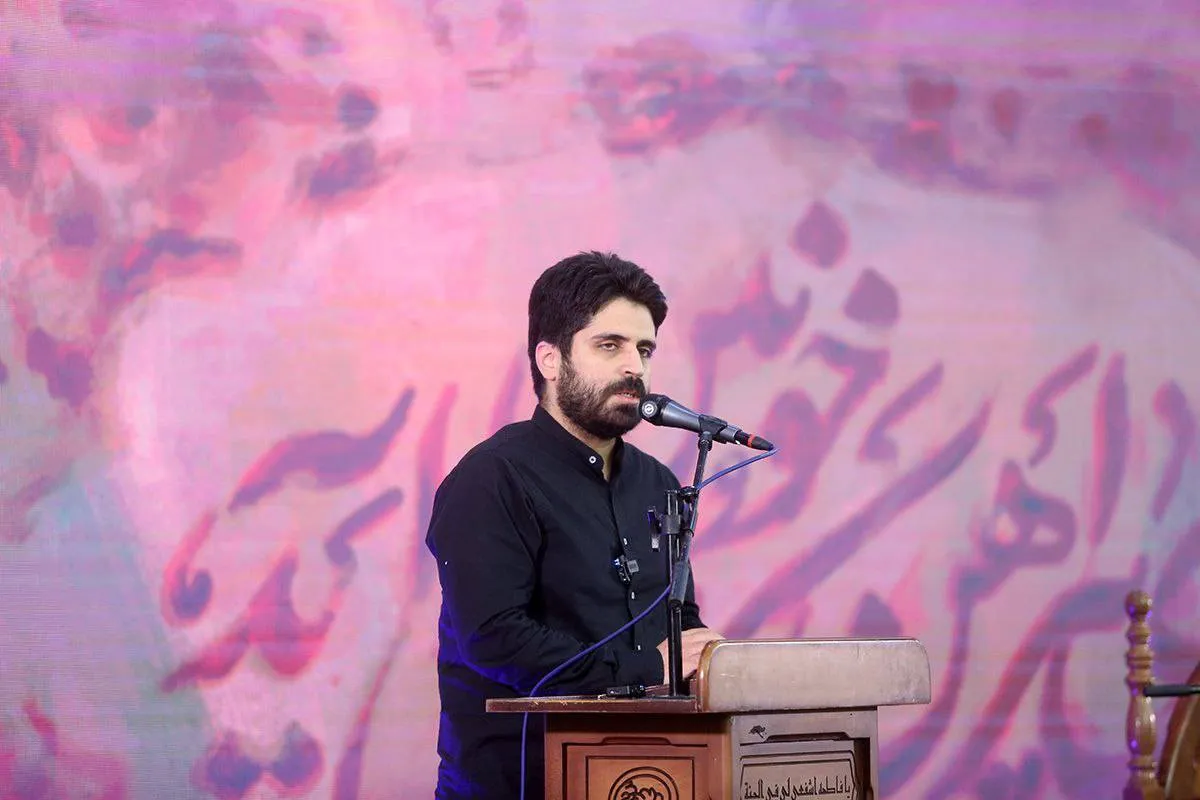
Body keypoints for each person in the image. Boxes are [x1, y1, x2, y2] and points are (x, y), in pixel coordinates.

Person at [426, 251, 722, 800]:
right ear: (550, 359)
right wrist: (645, 668)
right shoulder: (492, 478)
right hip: (518, 784)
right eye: (609, 345)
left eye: (644, 349)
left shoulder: (657, 482)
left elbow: (676, 621)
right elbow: (494, 639)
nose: (634, 367)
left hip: (646, 777)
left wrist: (711, 661)